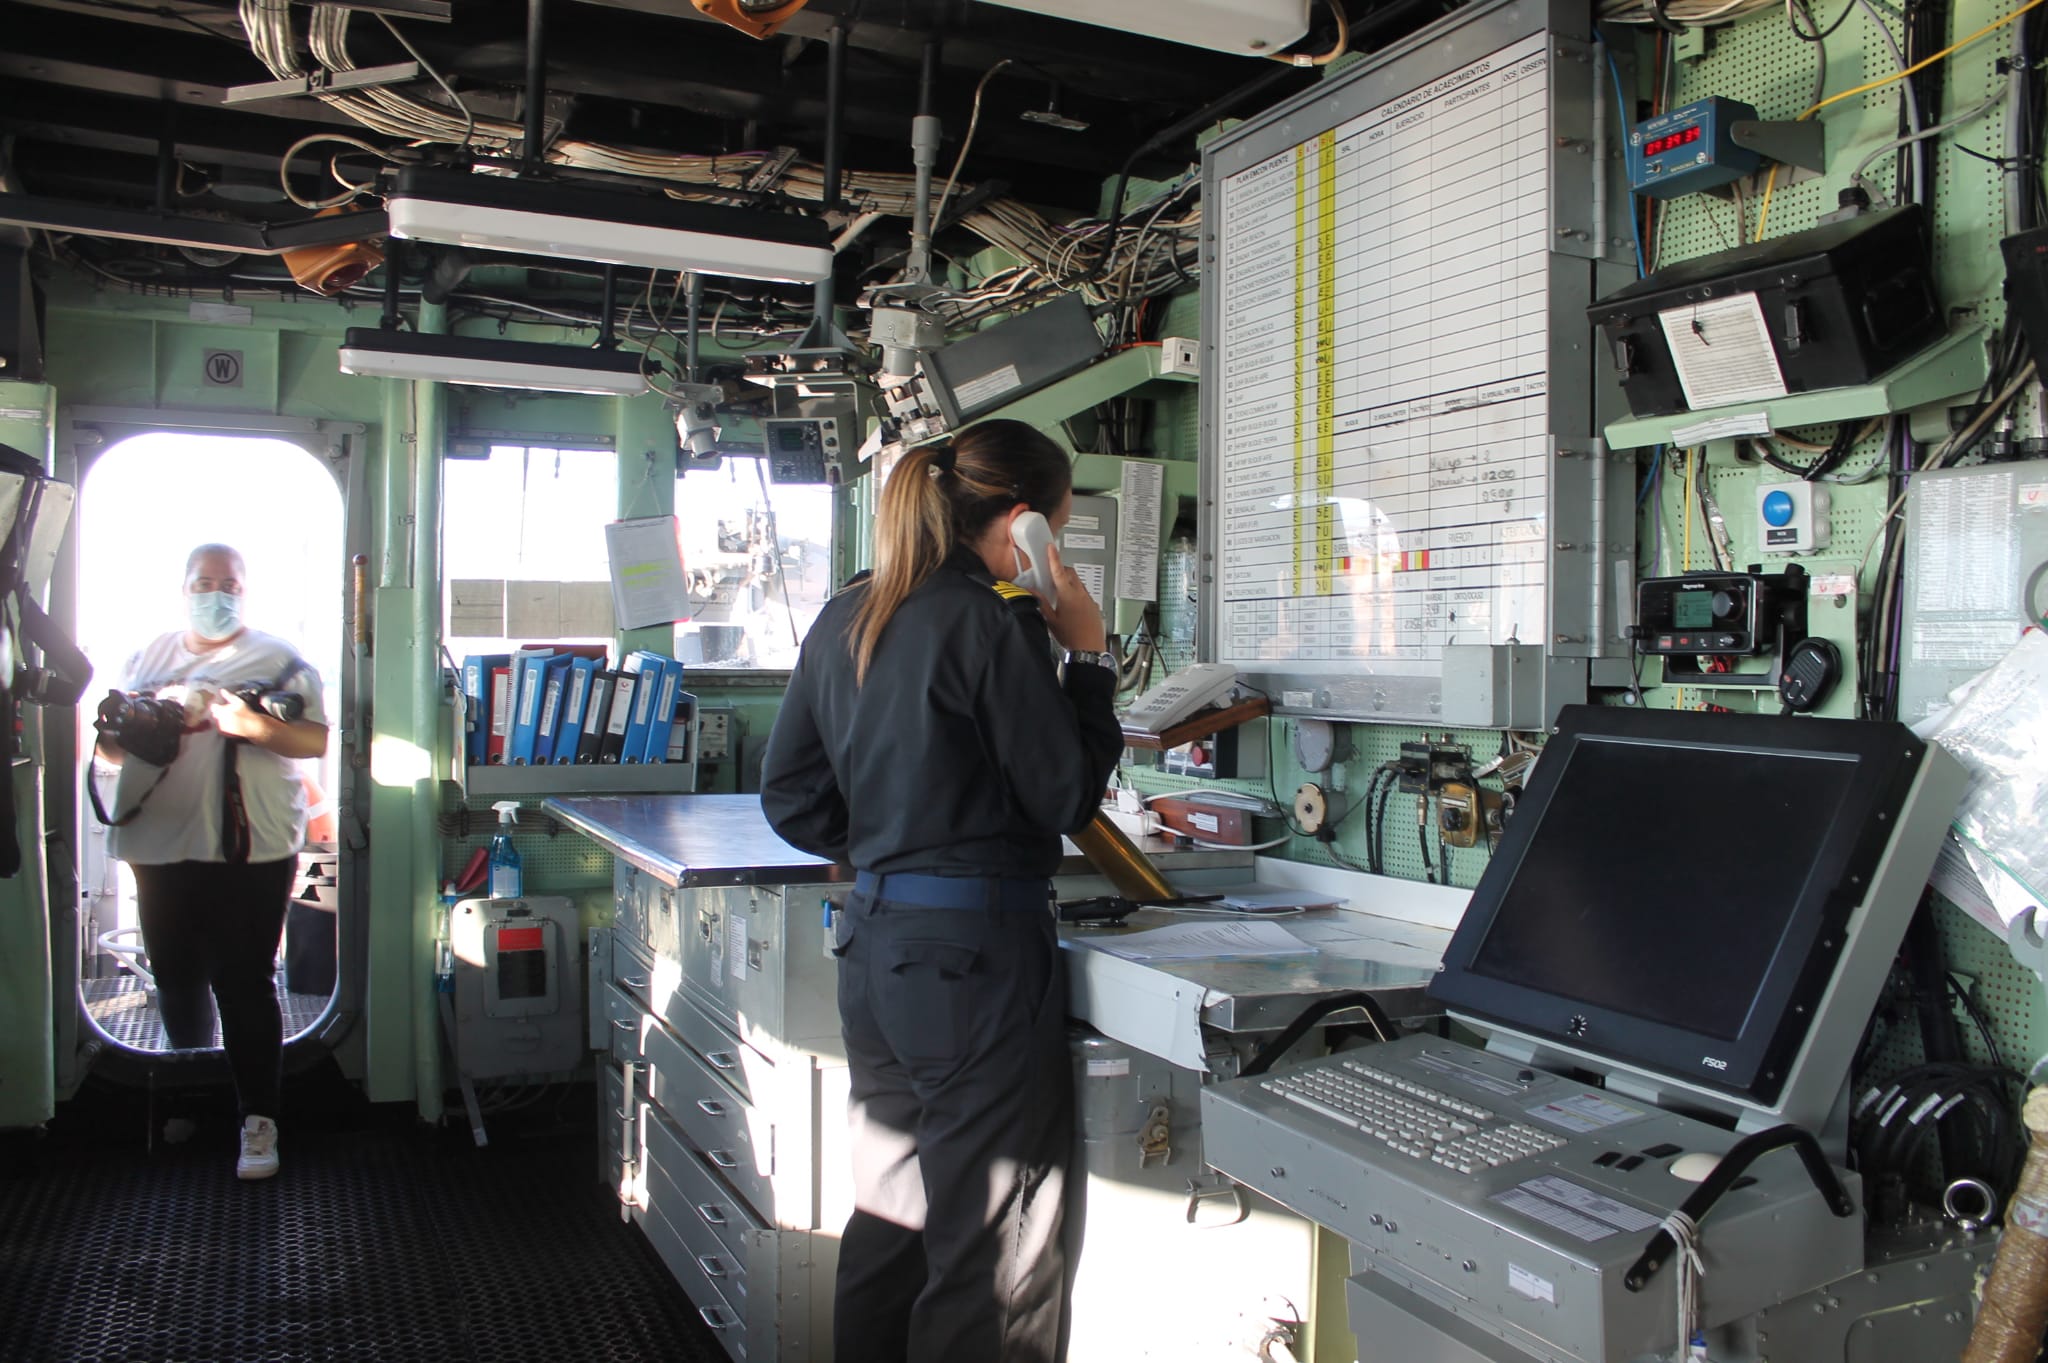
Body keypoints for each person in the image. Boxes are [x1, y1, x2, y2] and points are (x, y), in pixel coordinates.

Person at [761, 420, 1123, 1363]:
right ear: (1025, 524)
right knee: (995, 1254)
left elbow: (791, 796)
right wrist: (1088, 658)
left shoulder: (850, 610)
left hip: (877, 948)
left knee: (894, 1222)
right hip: (975, 969)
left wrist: (896, 848)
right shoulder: (989, 619)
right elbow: (1068, 794)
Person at [95, 544, 329, 1180]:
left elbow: (314, 738)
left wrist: (243, 724)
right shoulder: (147, 658)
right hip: (160, 843)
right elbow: (112, 751)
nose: (216, 593)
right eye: (204, 582)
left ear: (245, 591)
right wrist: (147, 726)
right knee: (174, 973)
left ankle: (260, 1120)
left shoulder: (279, 659)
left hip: (251, 845)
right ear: (184, 589)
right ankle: (190, 1083)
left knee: (245, 979)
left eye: (228, 583)